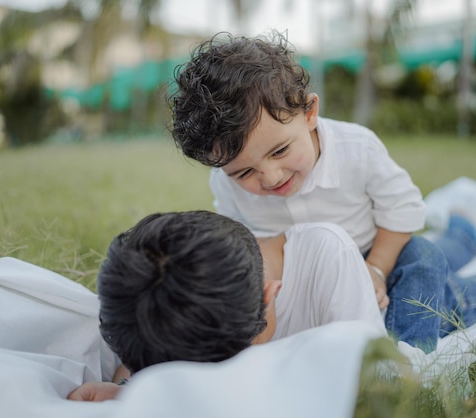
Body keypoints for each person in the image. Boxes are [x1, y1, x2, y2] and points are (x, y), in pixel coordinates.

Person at [68, 210, 476, 401]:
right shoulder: (160, 283)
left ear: (271, 295)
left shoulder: (321, 250)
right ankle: (463, 234)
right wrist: (127, 391)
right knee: (440, 251)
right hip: (357, 270)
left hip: (396, 309)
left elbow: (386, 372)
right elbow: (139, 359)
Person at [169, 30, 447, 349]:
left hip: (376, 258)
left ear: (309, 113)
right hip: (305, 281)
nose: (271, 177)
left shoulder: (357, 149)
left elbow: (403, 210)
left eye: (280, 151)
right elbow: (243, 246)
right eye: (244, 172)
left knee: (426, 259)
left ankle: (406, 362)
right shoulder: (224, 183)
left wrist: (376, 270)